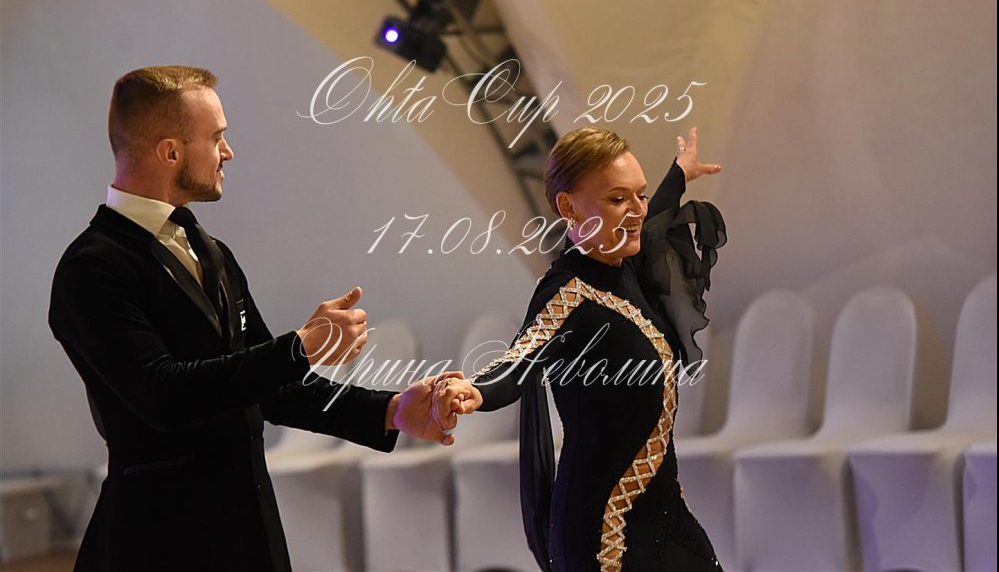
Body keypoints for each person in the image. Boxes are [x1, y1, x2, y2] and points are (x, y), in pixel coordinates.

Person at [48, 66, 468, 571]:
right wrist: (297, 348)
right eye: (216, 138)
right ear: (170, 152)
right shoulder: (92, 268)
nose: (228, 152)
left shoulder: (212, 251)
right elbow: (163, 395)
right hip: (157, 541)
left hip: (247, 533)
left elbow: (272, 389)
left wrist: (391, 411)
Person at [437, 127, 727, 571]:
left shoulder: (628, 262)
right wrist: (474, 391)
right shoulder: (566, 294)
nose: (636, 210)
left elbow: (653, 215)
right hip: (603, 531)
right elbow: (520, 360)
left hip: (667, 516)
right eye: (617, 199)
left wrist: (679, 173)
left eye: (640, 194)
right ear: (569, 207)